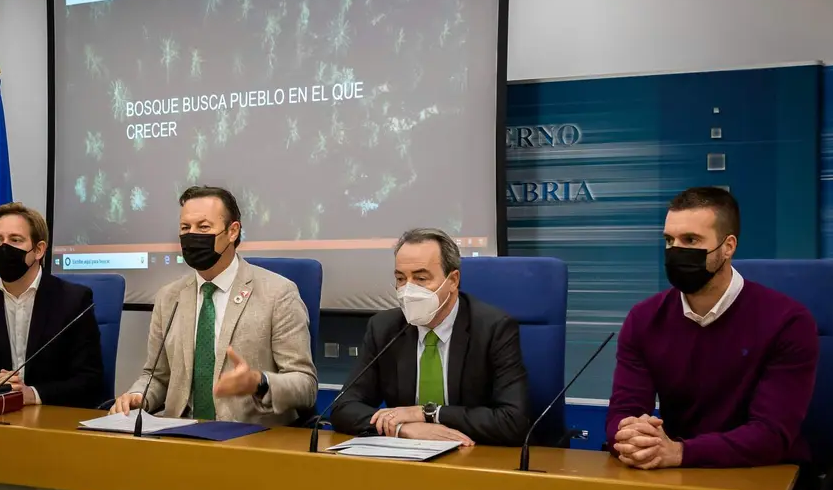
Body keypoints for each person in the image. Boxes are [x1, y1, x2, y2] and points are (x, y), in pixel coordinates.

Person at [606, 188, 817, 490]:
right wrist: (630, 435)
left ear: (728, 246)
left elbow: (771, 435)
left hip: (765, 475)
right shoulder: (644, 319)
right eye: (669, 240)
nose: (676, 251)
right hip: (676, 474)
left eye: (691, 240)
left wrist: (679, 453)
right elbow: (623, 409)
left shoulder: (787, 321)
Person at [110, 186, 317, 425]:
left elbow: (306, 385)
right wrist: (138, 396)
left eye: (204, 227)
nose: (192, 236)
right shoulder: (169, 297)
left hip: (249, 437)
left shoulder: (278, 294)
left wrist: (259, 382)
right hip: (178, 434)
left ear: (232, 231)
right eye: (185, 228)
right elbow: (157, 376)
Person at [330, 228, 531, 446]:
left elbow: (513, 421)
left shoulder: (493, 328)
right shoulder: (385, 327)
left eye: (421, 278)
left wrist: (429, 414)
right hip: (407, 456)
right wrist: (402, 428)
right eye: (401, 278)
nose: (408, 290)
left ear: (453, 280)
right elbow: (344, 408)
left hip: (475, 454)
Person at [0, 202, 103, 408]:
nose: (4, 247)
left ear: (38, 250)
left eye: (15, 240)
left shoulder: (74, 301)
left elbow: (90, 382)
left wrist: (32, 394)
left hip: (51, 419)